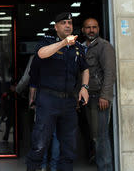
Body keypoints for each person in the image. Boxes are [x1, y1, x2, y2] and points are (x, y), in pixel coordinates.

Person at [26, 12, 90, 171]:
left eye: (70, 22)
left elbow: (85, 69)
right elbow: (41, 54)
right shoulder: (47, 42)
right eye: (63, 23)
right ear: (56, 27)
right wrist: (63, 44)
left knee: (68, 147)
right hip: (48, 100)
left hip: (69, 102)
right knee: (39, 144)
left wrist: (84, 87)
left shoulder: (78, 47)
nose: (68, 25)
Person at [81, 18, 116, 171]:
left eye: (94, 27)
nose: (91, 30)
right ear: (83, 30)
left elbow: (110, 72)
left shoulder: (104, 46)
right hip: (87, 98)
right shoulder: (81, 47)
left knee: (101, 137)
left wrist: (105, 96)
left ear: (99, 29)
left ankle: (106, 168)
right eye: (88, 27)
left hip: (99, 98)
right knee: (94, 136)